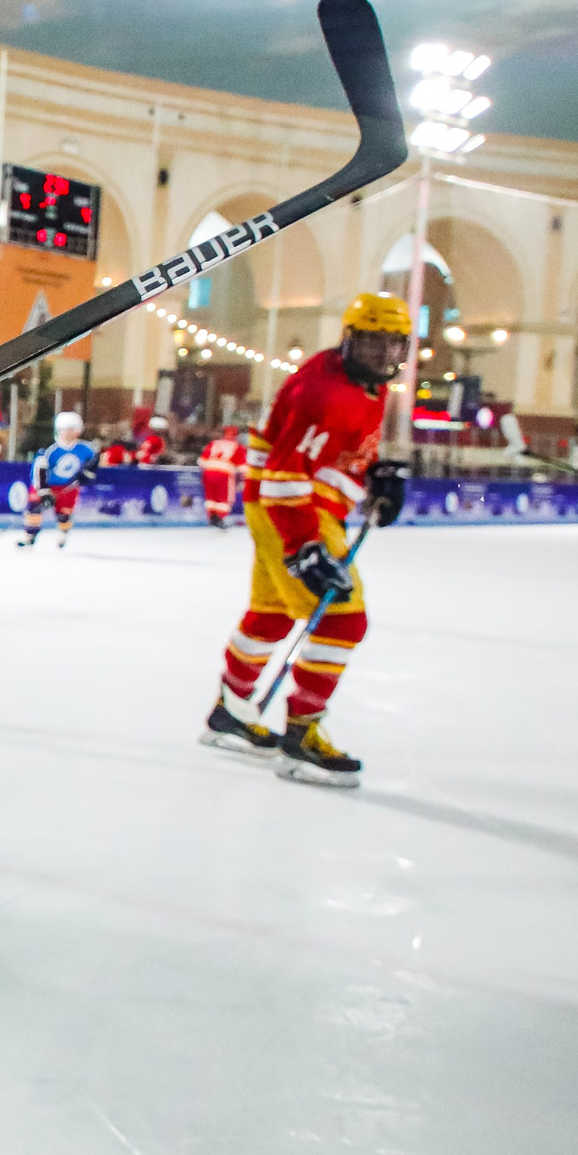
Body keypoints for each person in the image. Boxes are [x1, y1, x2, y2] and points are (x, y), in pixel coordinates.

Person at [200, 292, 410, 785]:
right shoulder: (322, 391)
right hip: (290, 509)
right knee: (343, 621)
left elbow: (337, 450)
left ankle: (229, 712)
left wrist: (375, 472)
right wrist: (303, 548)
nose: (384, 354)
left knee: (271, 616)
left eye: (394, 343)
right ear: (351, 338)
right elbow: (284, 475)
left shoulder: (364, 383)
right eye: (374, 341)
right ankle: (302, 735)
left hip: (293, 504)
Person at [18, 410, 96, 548]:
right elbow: (39, 470)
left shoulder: (86, 448)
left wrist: (87, 475)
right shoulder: (50, 450)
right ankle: (29, 536)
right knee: (34, 508)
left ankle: (63, 534)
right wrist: (43, 491)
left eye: (72, 429)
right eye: (65, 429)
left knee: (63, 514)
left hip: (68, 487)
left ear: (78, 431)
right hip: (45, 485)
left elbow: (93, 463)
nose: (68, 433)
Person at [199, 423, 249, 528]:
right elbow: (242, 467)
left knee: (211, 497)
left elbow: (202, 460)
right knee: (224, 498)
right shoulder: (238, 447)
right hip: (224, 474)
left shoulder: (214, 443)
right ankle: (220, 518)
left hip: (208, 472)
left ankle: (211, 517)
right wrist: (245, 479)